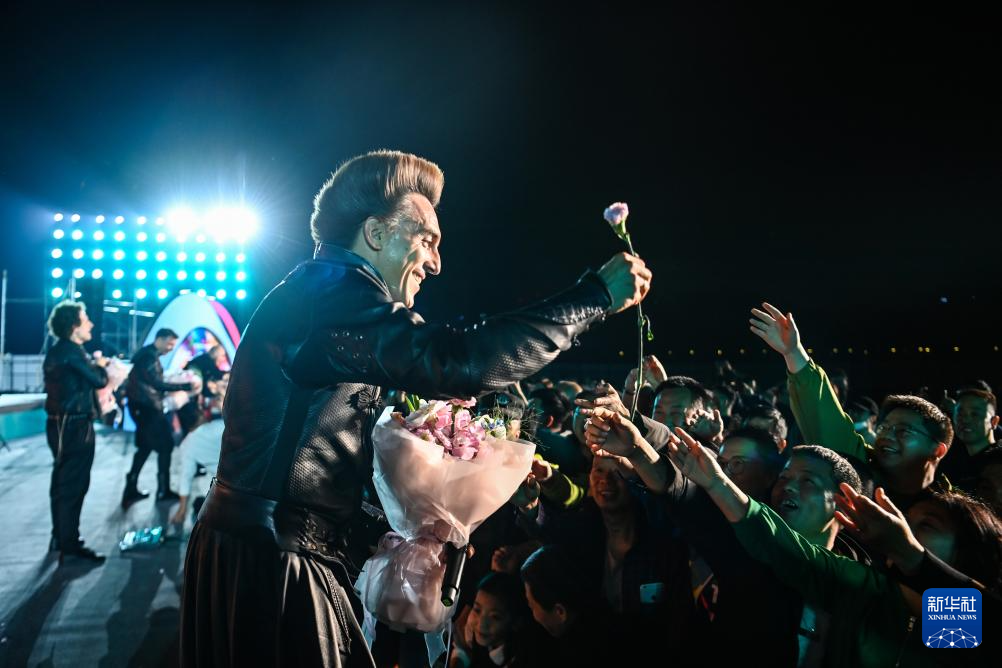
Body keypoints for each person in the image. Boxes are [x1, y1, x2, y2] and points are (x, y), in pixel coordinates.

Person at [179, 149, 652, 667]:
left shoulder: (320, 292)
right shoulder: (334, 294)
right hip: (275, 563)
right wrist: (593, 297)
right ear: (376, 234)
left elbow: (311, 452)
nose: (436, 262)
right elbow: (460, 361)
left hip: (264, 551)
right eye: (426, 239)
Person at [43, 300, 109, 563]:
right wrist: (100, 364)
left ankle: (60, 537)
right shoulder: (71, 352)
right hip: (74, 426)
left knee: (62, 483)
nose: (90, 323)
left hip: (62, 425)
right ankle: (70, 545)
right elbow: (99, 380)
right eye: (85, 319)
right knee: (74, 485)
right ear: (74, 326)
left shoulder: (60, 350)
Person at [121, 328, 197, 507]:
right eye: (170, 343)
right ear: (160, 339)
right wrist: (183, 386)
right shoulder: (148, 357)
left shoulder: (146, 355)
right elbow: (156, 383)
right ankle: (163, 490)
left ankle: (131, 488)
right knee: (165, 445)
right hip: (147, 408)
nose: (171, 348)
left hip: (141, 407)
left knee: (145, 447)